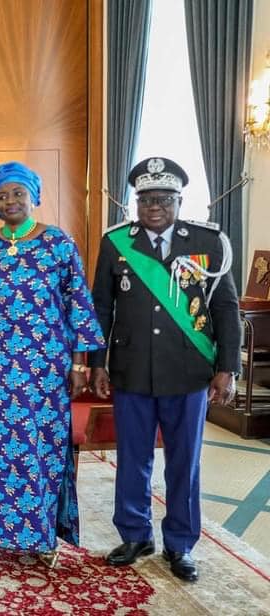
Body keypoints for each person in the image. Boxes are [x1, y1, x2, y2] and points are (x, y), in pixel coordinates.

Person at [91, 157, 241, 582]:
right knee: (132, 459)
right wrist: (96, 363)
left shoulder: (209, 242)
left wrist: (227, 367)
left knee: (184, 462)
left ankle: (180, 543)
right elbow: (102, 306)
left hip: (187, 371)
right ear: (136, 203)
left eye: (164, 198)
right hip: (131, 371)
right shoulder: (117, 243)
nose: (154, 206)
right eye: (146, 199)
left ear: (179, 200)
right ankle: (135, 534)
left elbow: (225, 310)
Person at [0, 162, 104, 568]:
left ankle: (42, 537)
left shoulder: (59, 244)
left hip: (44, 370)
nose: (10, 201)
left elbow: (79, 304)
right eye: (2, 195)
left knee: (40, 450)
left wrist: (79, 366)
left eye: (18, 193)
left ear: (33, 196)